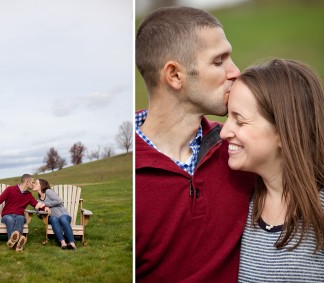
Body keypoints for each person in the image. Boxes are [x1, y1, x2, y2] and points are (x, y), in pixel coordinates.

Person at [135, 6, 255, 282]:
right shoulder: (132, 174)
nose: (236, 72)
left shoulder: (244, 150)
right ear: (175, 75)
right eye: (219, 61)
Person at [220, 59, 324, 282]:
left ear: (282, 131)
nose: (224, 132)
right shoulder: (243, 205)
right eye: (228, 117)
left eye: (239, 121)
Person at [0, 174, 50, 251]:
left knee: (20, 218)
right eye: (32, 182)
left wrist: (45, 207)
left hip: (19, 215)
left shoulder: (29, 195)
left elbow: (36, 204)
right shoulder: (10, 189)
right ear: (27, 182)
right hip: (7, 216)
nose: (33, 184)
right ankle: (17, 244)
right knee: (10, 219)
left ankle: (11, 242)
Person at [33, 178, 77, 250]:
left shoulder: (48, 191)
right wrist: (37, 209)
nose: (34, 184)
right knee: (53, 219)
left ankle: (72, 243)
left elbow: (59, 200)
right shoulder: (38, 200)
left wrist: (44, 204)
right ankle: (63, 243)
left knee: (63, 219)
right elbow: (40, 216)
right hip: (52, 217)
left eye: (36, 183)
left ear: (41, 185)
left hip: (63, 214)